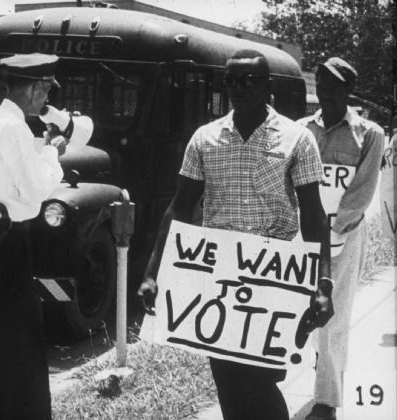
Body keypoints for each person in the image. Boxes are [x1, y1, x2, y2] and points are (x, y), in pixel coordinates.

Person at [137, 49, 334, 420]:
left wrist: (322, 283)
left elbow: (313, 215)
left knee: (261, 377)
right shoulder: (205, 138)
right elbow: (180, 207)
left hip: (275, 275)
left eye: (250, 80)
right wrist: (152, 271)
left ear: (268, 85)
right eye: (232, 81)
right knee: (227, 377)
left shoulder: (297, 138)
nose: (240, 88)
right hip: (218, 276)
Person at [0, 53, 68, 420]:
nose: (46, 101)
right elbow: (37, 190)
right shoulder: (15, 128)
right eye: (45, 92)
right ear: (37, 87)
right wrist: (53, 155)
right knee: (23, 357)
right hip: (8, 247)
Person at [299, 57, 385, 420]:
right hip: (305, 234)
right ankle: (325, 368)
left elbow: (362, 193)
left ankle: (326, 402)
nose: (326, 92)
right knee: (307, 311)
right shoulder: (302, 130)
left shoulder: (370, 134)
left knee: (335, 316)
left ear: (348, 90)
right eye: (321, 83)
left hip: (345, 236)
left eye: (334, 85)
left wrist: (334, 231)